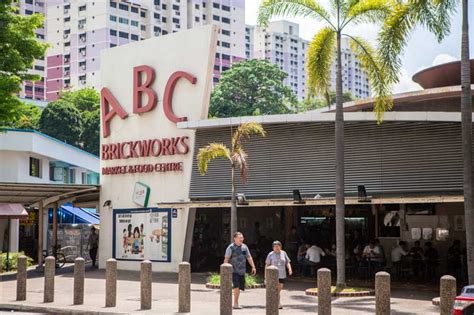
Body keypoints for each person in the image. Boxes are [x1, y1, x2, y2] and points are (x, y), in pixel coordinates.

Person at [224, 232, 257, 310]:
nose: (241, 239)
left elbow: (249, 257)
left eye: (242, 238)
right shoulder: (231, 247)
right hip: (233, 270)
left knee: (239, 288)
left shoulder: (245, 247)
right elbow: (226, 258)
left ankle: (236, 301)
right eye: (240, 238)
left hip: (242, 270)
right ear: (235, 238)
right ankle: (235, 303)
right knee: (236, 286)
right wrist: (224, 270)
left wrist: (253, 267)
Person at [265, 241, 292, 309]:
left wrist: (289, 269)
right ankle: (277, 303)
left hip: (282, 274)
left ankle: (274, 301)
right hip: (273, 275)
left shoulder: (283, 253)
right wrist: (266, 275)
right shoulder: (270, 254)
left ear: (280, 247)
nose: (277, 248)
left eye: (278, 246)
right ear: (273, 247)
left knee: (278, 290)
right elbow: (267, 264)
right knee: (276, 290)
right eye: (275, 246)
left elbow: (287, 262)